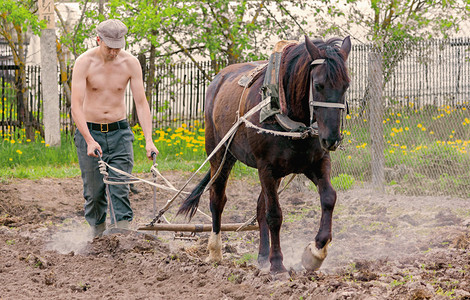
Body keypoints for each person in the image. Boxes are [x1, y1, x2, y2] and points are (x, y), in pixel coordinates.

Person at [71, 19, 159, 237]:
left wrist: (149, 140)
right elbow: (76, 105)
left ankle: (121, 236)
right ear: (98, 39)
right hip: (90, 133)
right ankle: (98, 235)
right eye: (109, 47)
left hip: (120, 133)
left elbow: (141, 102)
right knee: (94, 193)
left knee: (120, 186)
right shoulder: (84, 63)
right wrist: (89, 140)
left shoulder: (130, 63)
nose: (114, 52)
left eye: (118, 47)